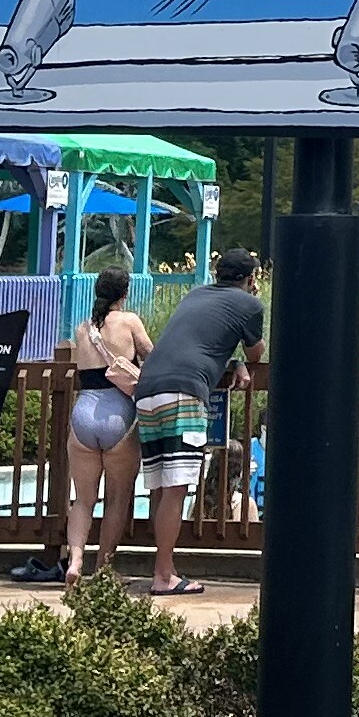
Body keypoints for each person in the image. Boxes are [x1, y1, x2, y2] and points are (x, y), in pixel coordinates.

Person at [133, 251, 263, 598]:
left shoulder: (195, 295)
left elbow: (200, 340)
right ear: (251, 279)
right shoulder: (249, 304)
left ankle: (165, 568)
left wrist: (231, 361)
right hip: (185, 392)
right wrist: (240, 361)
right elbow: (257, 353)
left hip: (148, 388)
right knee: (176, 487)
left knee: (160, 485)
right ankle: (163, 576)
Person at [39, 266, 152, 583]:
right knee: (117, 498)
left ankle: (75, 561)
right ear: (125, 293)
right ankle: (104, 569)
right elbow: (153, 355)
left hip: (84, 412)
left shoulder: (82, 328)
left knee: (82, 499)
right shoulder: (129, 322)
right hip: (118, 413)